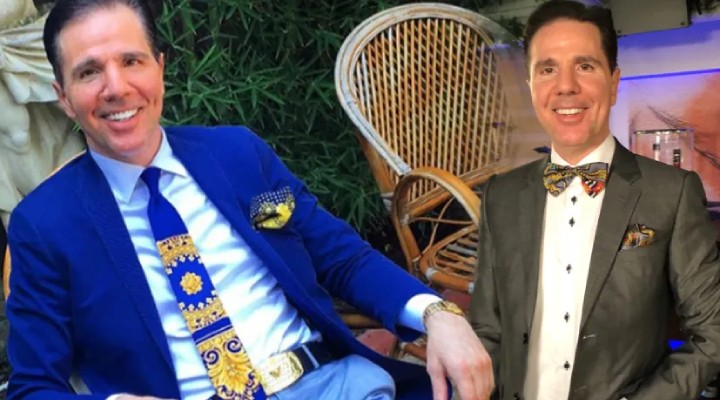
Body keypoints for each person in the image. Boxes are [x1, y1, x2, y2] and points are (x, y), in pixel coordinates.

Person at [5, 0, 494, 399]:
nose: (116, 87)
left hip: (330, 385)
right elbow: (33, 387)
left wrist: (438, 314)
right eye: (89, 72)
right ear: (63, 97)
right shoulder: (44, 224)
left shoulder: (237, 155)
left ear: (160, 68)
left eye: (131, 61)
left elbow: (340, 258)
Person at [469, 1, 720, 400]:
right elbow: (487, 328)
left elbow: (712, 333)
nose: (565, 85)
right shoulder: (500, 195)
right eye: (547, 69)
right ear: (531, 85)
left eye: (584, 66)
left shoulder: (671, 193)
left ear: (614, 82)